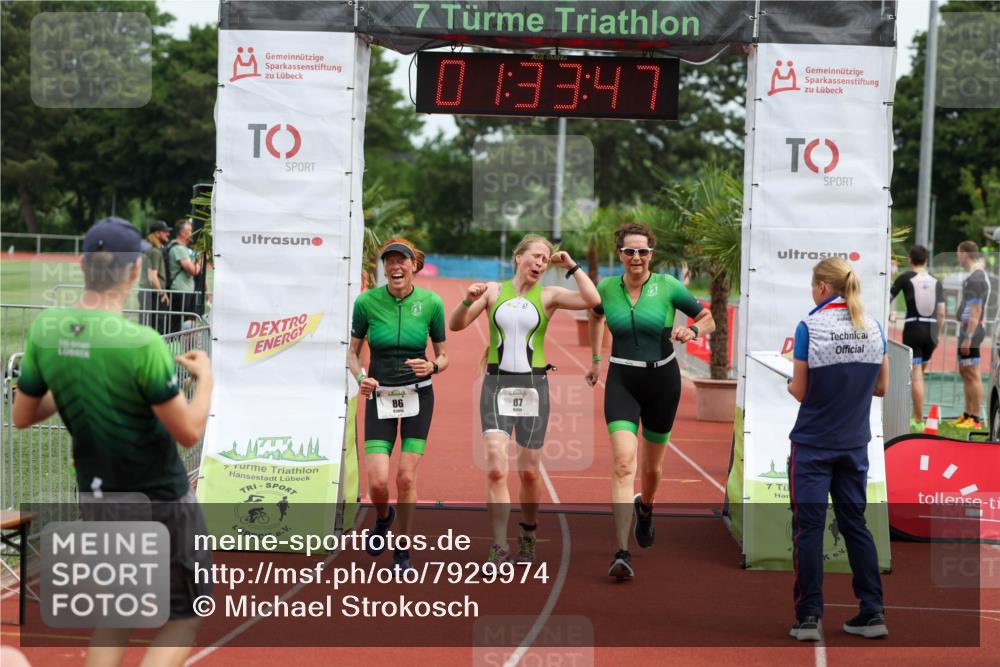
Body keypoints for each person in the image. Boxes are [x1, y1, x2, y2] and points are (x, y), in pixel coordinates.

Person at [12, 217, 214, 666]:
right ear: (134, 271)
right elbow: (189, 431)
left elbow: (23, 415)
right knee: (185, 612)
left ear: (83, 265)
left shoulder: (48, 331)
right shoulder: (142, 344)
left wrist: (70, 379)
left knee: (118, 611)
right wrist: (206, 380)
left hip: (98, 496)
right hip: (160, 496)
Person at [450, 235, 600, 565]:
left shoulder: (549, 295)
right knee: (495, 465)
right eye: (535, 256)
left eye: (545, 260)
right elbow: (456, 325)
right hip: (496, 384)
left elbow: (592, 299)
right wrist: (466, 299)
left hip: (533, 386)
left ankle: (528, 532)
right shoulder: (492, 290)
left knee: (529, 472)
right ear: (518, 257)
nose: (540, 263)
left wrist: (571, 265)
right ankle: (499, 545)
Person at [584, 222, 714, 580]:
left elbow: (708, 317)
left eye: (643, 251)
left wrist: (692, 330)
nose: (636, 257)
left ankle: (647, 506)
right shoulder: (606, 288)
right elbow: (595, 317)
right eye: (629, 251)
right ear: (620, 254)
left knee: (651, 470)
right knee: (624, 463)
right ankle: (622, 551)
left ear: (651, 254)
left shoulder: (668, 286)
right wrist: (596, 360)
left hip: (662, 381)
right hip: (622, 379)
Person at [786, 257, 889, 642]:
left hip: (813, 445)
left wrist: (791, 383)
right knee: (855, 525)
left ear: (823, 288)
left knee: (809, 529)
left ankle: (809, 617)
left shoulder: (809, 326)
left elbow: (799, 390)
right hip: (853, 444)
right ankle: (872, 610)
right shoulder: (873, 327)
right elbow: (881, 388)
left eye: (814, 285)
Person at [348, 238, 448, 571]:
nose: (395, 266)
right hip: (380, 397)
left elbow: (444, 355)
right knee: (377, 482)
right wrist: (362, 375)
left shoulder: (432, 303)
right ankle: (383, 515)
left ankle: (402, 549)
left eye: (401, 261)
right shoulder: (366, 303)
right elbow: (352, 352)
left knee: (405, 477)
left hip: (418, 396)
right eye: (389, 261)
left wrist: (433, 366)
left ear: (413, 266)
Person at [889, 245, 945, 430]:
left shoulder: (905, 277)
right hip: (932, 330)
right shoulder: (936, 280)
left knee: (917, 374)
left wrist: (891, 315)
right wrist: (937, 334)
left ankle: (918, 419)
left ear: (910, 260)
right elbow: (942, 312)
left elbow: (887, 298)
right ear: (926, 260)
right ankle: (918, 415)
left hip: (914, 327)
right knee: (920, 372)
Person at [954, 241, 991, 429]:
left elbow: (976, 310)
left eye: (958, 253)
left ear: (965, 254)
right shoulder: (973, 276)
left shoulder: (977, 277)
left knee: (973, 374)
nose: (956, 257)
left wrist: (969, 336)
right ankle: (967, 413)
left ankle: (976, 419)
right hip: (967, 329)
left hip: (973, 331)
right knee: (965, 371)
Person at [166, 218, 201, 334]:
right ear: (182, 233)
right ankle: (175, 347)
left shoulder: (183, 248)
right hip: (180, 290)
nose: (192, 234)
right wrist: (198, 260)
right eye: (190, 231)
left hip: (185, 290)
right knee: (178, 324)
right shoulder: (179, 249)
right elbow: (193, 270)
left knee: (185, 323)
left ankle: (181, 347)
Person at [140, 220, 171, 333]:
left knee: (148, 325)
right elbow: (152, 276)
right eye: (165, 232)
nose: (168, 234)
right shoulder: (155, 252)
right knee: (157, 328)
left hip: (150, 292)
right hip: (153, 293)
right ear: (157, 234)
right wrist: (162, 293)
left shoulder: (151, 250)